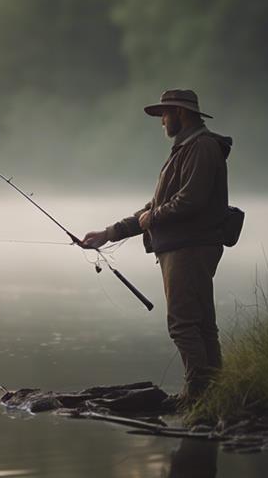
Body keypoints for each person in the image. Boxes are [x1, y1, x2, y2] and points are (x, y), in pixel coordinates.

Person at [82, 89, 233, 404]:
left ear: (180, 113)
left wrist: (154, 217)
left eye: (164, 114)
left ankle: (196, 395)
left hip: (190, 249)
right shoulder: (185, 149)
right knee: (201, 324)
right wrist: (108, 233)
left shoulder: (202, 147)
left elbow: (190, 201)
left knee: (183, 325)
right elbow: (154, 206)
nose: (161, 121)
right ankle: (216, 392)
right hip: (184, 247)